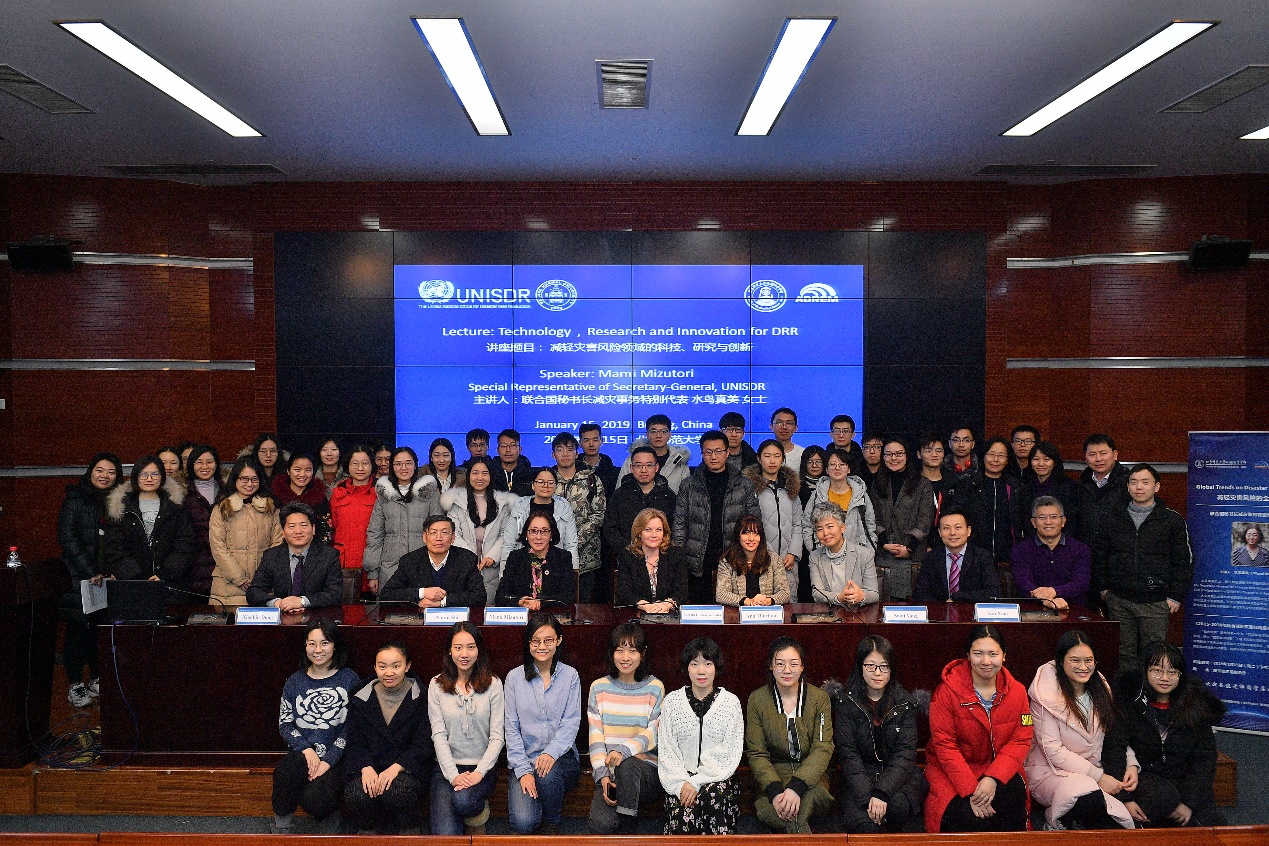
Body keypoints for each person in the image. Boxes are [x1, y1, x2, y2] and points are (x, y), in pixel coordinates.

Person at [1103, 641, 1227, 827]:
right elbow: (1114, 750)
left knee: (1216, 825)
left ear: (1180, 675)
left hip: (1183, 779)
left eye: (1172, 672)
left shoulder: (1195, 706)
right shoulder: (1129, 702)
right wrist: (1125, 800)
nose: (1165, 678)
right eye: (1157, 671)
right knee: (1162, 799)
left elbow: (1205, 759)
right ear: (1145, 671)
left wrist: (1189, 803)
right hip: (1145, 778)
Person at [924, 625, 1032, 832]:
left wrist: (993, 777)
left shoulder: (1018, 692)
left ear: (1004, 656)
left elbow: (1022, 738)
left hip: (999, 767)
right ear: (967, 655)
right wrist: (972, 791)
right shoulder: (945, 692)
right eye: (978, 653)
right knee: (967, 817)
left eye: (993, 654)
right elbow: (945, 746)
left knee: (1012, 802)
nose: (986, 661)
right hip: (952, 770)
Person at [1026, 630, 1135, 830]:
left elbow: (1113, 734)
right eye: (1075, 660)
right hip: (1052, 772)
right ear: (1061, 662)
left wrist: (1131, 763)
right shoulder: (1045, 695)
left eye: (1089, 660)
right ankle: (1052, 822)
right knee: (1090, 800)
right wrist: (1099, 777)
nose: (1083, 667)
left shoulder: (1100, 688)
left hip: (1095, 770)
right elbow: (1053, 750)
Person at [1093, 464, 1193, 671]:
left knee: (1154, 654)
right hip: (1119, 599)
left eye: (1145, 482)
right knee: (1123, 654)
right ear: (1128, 487)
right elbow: (1100, 555)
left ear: (1156, 487)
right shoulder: (1112, 517)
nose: (1139, 487)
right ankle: (1126, 691)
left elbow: (1183, 561)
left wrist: (1176, 596)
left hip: (1155, 601)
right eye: (1134, 482)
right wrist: (1103, 588)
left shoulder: (1172, 520)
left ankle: (1150, 692)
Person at [832, 635, 927, 833]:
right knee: (863, 823)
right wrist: (868, 796)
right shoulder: (845, 702)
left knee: (897, 809)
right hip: (859, 779)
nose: (877, 673)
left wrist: (881, 792)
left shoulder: (905, 703)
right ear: (860, 666)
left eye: (884, 666)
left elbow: (905, 754)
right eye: (870, 666)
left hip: (898, 778)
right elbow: (849, 755)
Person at [271, 620, 359, 834]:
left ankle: (334, 818)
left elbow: (353, 727)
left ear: (335, 645)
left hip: (337, 757)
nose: (318, 650)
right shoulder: (294, 681)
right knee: (285, 772)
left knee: (316, 798)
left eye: (324, 643)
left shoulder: (350, 679)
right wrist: (307, 750)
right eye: (312, 644)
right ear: (305, 646)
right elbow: (285, 723)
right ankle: (281, 828)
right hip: (303, 754)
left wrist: (328, 761)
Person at [744, 636, 834, 833]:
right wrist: (776, 792)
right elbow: (757, 753)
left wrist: (797, 787)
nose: (786, 670)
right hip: (774, 775)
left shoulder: (819, 699)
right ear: (771, 666)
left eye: (793, 664)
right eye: (780, 664)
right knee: (772, 810)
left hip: (813, 777)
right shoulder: (757, 699)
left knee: (803, 805)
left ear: (802, 667)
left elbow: (823, 748)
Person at [503, 613, 582, 835]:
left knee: (547, 774)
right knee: (523, 823)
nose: (542, 647)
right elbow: (511, 729)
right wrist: (523, 771)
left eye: (548, 640)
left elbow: (571, 722)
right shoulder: (514, 678)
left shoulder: (570, 676)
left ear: (559, 640)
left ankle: (551, 824)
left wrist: (550, 753)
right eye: (536, 641)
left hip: (561, 760)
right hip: (525, 760)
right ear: (528, 643)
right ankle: (537, 804)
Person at [343, 642, 434, 835]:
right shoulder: (360, 697)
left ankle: (408, 827)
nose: (389, 672)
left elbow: (423, 745)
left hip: (406, 768)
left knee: (397, 791)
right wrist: (366, 767)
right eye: (382, 666)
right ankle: (369, 829)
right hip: (371, 766)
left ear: (407, 666)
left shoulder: (423, 697)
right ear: (375, 667)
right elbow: (354, 742)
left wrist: (396, 768)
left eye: (396, 666)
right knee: (358, 792)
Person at [658, 637, 744, 834]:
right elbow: (667, 750)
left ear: (716, 667)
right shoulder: (672, 702)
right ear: (686, 668)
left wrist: (697, 782)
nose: (701, 671)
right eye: (694, 664)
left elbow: (729, 753)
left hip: (718, 776)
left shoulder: (731, 703)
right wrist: (682, 784)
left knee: (716, 798)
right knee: (682, 815)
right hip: (679, 778)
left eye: (708, 663)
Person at [57, 451, 123, 708]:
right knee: (77, 632)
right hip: (79, 579)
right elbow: (67, 537)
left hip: (107, 580)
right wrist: (90, 571)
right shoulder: (75, 499)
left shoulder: (118, 501)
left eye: (111, 472)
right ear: (90, 472)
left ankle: (96, 678)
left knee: (101, 630)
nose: (105, 476)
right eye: (100, 470)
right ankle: (75, 684)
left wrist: (114, 570)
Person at [586, 622, 665, 834]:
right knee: (600, 825)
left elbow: (654, 733)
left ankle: (628, 830)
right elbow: (595, 737)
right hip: (611, 774)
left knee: (628, 765)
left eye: (632, 650)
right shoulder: (598, 687)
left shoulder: (655, 687)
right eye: (620, 650)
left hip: (646, 773)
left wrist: (623, 751)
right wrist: (603, 776)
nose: (626, 657)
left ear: (643, 653)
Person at [427, 622, 504, 835]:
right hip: (446, 768)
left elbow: (498, 737)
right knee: (445, 838)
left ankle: (476, 812)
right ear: (449, 651)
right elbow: (438, 735)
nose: (464, 654)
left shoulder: (494, 684)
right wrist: (453, 775)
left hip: (482, 767)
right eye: (458, 647)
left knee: (463, 801)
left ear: (479, 650)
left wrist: (479, 773)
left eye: (471, 647)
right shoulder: (436, 685)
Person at [673, 430, 761, 603]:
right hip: (698, 557)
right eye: (708, 452)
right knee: (700, 608)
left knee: (733, 608)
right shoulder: (689, 485)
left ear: (727, 453)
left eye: (718, 451)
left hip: (734, 556)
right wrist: (678, 556)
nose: (713, 456)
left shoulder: (744, 484)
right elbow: (680, 523)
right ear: (702, 454)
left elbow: (754, 522)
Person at [104, 455, 196, 588]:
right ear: (136, 477)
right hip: (133, 584)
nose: (149, 479)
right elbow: (115, 548)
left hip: (169, 583)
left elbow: (185, 544)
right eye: (143, 474)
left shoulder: (175, 507)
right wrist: (137, 576)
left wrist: (165, 573)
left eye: (154, 474)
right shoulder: (121, 507)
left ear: (162, 477)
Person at [363, 447, 442, 593]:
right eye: (398, 464)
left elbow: (439, 531)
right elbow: (375, 534)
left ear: (415, 465)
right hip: (390, 567)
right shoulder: (384, 494)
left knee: (423, 605)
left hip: (423, 565)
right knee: (390, 605)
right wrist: (373, 573)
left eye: (408, 463)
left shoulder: (429, 493)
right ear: (392, 467)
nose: (403, 468)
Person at [209, 457, 283, 607]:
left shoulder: (270, 507)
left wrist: (263, 577)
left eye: (254, 479)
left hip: (264, 584)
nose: (249, 484)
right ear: (235, 479)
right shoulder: (222, 507)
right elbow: (218, 547)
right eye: (244, 479)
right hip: (228, 585)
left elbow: (278, 544)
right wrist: (239, 578)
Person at [442, 455, 515, 605]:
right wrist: (470, 558)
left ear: (491, 475)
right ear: (468, 475)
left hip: (493, 567)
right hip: (463, 565)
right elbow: (453, 533)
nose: (479, 478)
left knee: (490, 607)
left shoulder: (503, 502)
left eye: (485, 473)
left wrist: (492, 556)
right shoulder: (456, 501)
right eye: (475, 473)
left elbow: (506, 534)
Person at [869, 439, 934, 601]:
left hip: (911, 555)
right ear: (883, 457)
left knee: (909, 603)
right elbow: (872, 516)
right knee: (881, 602)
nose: (894, 458)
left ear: (907, 456)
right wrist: (883, 542)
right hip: (883, 553)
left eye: (898, 454)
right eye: (889, 454)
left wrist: (909, 547)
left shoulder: (922, 484)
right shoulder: (877, 483)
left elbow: (925, 519)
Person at [246, 502, 343, 610]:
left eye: (303, 525)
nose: (298, 531)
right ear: (283, 532)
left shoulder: (329, 555)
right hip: (283, 615)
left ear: (313, 529)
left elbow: (335, 593)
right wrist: (277, 603)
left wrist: (302, 601)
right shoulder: (272, 556)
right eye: (291, 526)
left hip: (316, 616)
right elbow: (253, 592)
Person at [380, 515, 486, 607]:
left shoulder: (466, 559)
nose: (438, 538)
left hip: (455, 619)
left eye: (444, 533)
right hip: (420, 618)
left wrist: (442, 602)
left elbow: (479, 596)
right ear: (424, 537)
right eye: (433, 533)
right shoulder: (410, 560)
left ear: (453, 537)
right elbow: (386, 595)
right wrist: (422, 592)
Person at [551, 432, 606, 602]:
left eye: (570, 449)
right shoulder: (547, 480)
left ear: (577, 453)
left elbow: (599, 514)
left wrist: (575, 541)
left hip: (586, 557)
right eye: (560, 449)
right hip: (552, 554)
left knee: (584, 605)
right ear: (553, 454)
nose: (565, 454)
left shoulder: (591, 479)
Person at [744, 439, 804, 598]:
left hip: (787, 560)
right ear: (759, 458)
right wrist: (767, 553)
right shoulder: (749, 489)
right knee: (761, 602)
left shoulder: (791, 488)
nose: (772, 461)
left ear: (782, 459)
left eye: (777, 456)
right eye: (767, 456)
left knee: (789, 602)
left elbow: (798, 523)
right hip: (759, 557)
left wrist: (793, 552)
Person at [604, 446, 677, 574]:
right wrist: (628, 548)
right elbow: (610, 527)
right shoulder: (620, 495)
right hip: (627, 558)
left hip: (661, 559)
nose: (644, 470)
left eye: (649, 465)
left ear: (656, 467)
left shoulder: (668, 496)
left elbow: (674, 528)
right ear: (631, 468)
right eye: (638, 465)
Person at [1011, 496, 1092, 609]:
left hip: (1072, 609)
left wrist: (1054, 591)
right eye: (1042, 517)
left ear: (1063, 521)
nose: (1048, 522)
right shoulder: (1021, 550)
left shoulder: (1080, 549)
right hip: (1033, 610)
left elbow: (1081, 583)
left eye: (1053, 517)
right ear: (1033, 522)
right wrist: (1046, 600)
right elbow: (1024, 583)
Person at [958, 437, 1018, 581]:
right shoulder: (968, 485)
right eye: (991, 454)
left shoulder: (1016, 487)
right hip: (974, 554)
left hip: (1008, 556)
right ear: (983, 456)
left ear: (1007, 459)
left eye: (1001, 455)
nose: (995, 460)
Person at [498, 466, 579, 570]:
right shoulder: (520, 506)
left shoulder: (564, 507)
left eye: (550, 483)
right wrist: (504, 572)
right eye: (541, 482)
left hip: (556, 565)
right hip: (523, 565)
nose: (546, 486)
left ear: (556, 486)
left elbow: (571, 544)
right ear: (533, 485)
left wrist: (574, 571)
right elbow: (509, 543)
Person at [914, 508, 999, 604]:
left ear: (968, 531)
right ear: (940, 532)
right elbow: (920, 593)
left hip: (971, 611)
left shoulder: (982, 557)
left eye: (958, 527)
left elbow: (993, 592)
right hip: (939, 611)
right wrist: (942, 607)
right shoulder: (931, 558)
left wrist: (958, 598)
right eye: (946, 528)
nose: (952, 533)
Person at [802, 447, 876, 554]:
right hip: (824, 554)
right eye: (832, 464)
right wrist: (815, 550)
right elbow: (807, 525)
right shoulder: (818, 494)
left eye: (842, 464)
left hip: (857, 554)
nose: (837, 468)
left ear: (849, 469)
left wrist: (869, 552)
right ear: (826, 470)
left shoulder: (860, 494)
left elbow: (870, 525)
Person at [496, 512, 577, 608]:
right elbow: (500, 596)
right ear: (526, 534)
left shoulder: (562, 557)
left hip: (552, 614)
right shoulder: (515, 558)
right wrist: (519, 602)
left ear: (551, 534)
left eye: (544, 531)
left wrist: (541, 603)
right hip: (522, 614)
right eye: (533, 531)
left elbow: (569, 596)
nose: (538, 537)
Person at [329, 445, 378, 603]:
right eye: (355, 463)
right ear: (348, 466)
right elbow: (334, 527)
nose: (360, 468)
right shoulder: (338, 493)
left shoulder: (380, 493)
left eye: (365, 463)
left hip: (371, 564)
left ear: (372, 465)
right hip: (344, 563)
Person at [615, 507, 689, 611]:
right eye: (648, 530)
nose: (654, 535)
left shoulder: (676, 554)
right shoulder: (628, 556)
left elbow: (682, 591)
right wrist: (644, 605)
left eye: (659, 530)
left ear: (664, 533)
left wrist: (666, 605)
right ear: (639, 532)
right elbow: (624, 591)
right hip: (637, 614)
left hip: (668, 613)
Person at [807, 503, 878, 607]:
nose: (825, 533)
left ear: (842, 527)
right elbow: (817, 593)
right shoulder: (814, 557)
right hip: (828, 612)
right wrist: (839, 597)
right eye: (819, 529)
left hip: (858, 612)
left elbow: (874, 594)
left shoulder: (865, 554)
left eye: (830, 527)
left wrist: (861, 596)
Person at [715, 514, 790, 606]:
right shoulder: (727, 561)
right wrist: (749, 601)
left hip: (766, 612)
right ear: (738, 536)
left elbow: (785, 593)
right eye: (746, 533)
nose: (751, 538)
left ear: (761, 537)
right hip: (738, 613)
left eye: (756, 533)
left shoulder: (774, 559)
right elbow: (721, 594)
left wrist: (768, 601)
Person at [1015, 441, 1080, 539]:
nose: (1041, 464)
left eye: (1047, 459)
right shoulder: (1025, 486)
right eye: (1036, 459)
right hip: (1032, 541)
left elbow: (1071, 521)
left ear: (1054, 462)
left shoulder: (1068, 486)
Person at [1075, 434, 1128, 550]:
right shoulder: (1079, 485)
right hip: (1085, 551)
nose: (1098, 459)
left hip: (1118, 552)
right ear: (1085, 458)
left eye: (1103, 453)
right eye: (1092, 455)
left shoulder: (1128, 483)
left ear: (1115, 454)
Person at [182, 444, 221, 596]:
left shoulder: (228, 491)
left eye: (209, 462)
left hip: (222, 563)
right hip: (193, 565)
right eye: (199, 462)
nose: (205, 467)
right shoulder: (182, 494)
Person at [619, 414, 690, 493]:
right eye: (653, 431)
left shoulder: (680, 462)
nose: (658, 435)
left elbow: (686, 495)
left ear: (670, 435)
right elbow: (619, 491)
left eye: (663, 431)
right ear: (647, 434)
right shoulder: (633, 460)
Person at [271, 452, 332, 544]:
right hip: (279, 549)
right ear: (288, 471)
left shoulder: (320, 498)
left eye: (308, 470)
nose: (302, 474)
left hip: (314, 550)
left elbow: (326, 531)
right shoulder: (276, 495)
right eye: (297, 469)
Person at [917, 433, 960, 535]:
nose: (934, 454)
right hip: (918, 539)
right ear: (919, 454)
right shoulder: (912, 482)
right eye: (928, 450)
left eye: (939, 450)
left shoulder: (953, 482)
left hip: (947, 537)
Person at [578, 423, 620, 497]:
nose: (591, 444)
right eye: (586, 440)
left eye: (595, 440)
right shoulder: (573, 471)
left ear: (601, 441)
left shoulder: (613, 473)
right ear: (580, 443)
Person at [492, 429, 534, 496]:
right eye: (503, 446)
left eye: (513, 445)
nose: (508, 450)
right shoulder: (490, 474)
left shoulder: (530, 475)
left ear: (520, 449)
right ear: (498, 450)